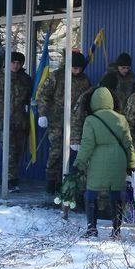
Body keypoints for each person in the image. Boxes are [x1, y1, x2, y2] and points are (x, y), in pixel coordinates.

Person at [72, 87, 135, 238]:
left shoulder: (91, 120)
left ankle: (92, 229)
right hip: (119, 160)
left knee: (91, 194)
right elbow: (128, 143)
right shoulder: (121, 118)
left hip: (98, 161)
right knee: (116, 195)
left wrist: (79, 164)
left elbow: (87, 145)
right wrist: (131, 164)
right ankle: (116, 231)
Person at [38, 51, 92, 193]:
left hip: (76, 123)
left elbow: (87, 99)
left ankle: (67, 183)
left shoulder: (84, 80)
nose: (78, 71)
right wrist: (42, 114)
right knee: (56, 151)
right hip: (57, 121)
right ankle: (51, 181)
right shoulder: (56, 76)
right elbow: (44, 96)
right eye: (75, 68)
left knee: (75, 154)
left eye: (80, 68)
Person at [0, 51, 33, 193]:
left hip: (20, 121)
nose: (16, 65)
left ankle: (10, 176)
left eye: (18, 63)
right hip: (4, 120)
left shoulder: (25, 79)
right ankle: (10, 180)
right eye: (13, 62)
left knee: (19, 152)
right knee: (9, 151)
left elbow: (30, 97)